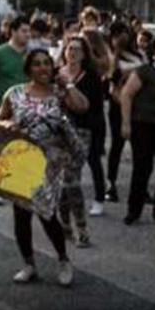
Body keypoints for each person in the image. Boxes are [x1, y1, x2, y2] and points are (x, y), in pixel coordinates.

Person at [0, 49, 87, 286]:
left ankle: (64, 260)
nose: (43, 68)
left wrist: (68, 85)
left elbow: (82, 107)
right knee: (21, 214)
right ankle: (28, 264)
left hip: (51, 161)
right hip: (21, 158)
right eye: (37, 64)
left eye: (47, 63)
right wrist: (7, 124)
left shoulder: (59, 93)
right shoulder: (14, 94)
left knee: (47, 212)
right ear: (28, 69)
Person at [118, 33, 155, 225]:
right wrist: (126, 122)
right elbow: (126, 94)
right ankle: (134, 210)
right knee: (143, 168)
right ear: (154, 50)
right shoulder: (145, 71)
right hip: (144, 124)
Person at [57, 35, 105, 239]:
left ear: (84, 54)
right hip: (58, 132)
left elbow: (89, 108)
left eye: (77, 49)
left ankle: (80, 227)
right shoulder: (56, 74)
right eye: (69, 48)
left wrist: (69, 87)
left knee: (71, 179)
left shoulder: (91, 77)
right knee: (62, 181)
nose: (72, 52)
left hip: (82, 131)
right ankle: (65, 223)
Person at [107, 21, 147, 203]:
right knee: (117, 146)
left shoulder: (139, 54)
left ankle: (141, 189)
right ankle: (111, 184)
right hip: (119, 105)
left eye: (123, 33)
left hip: (140, 106)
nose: (120, 38)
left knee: (142, 150)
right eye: (116, 35)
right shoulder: (112, 57)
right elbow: (112, 84)